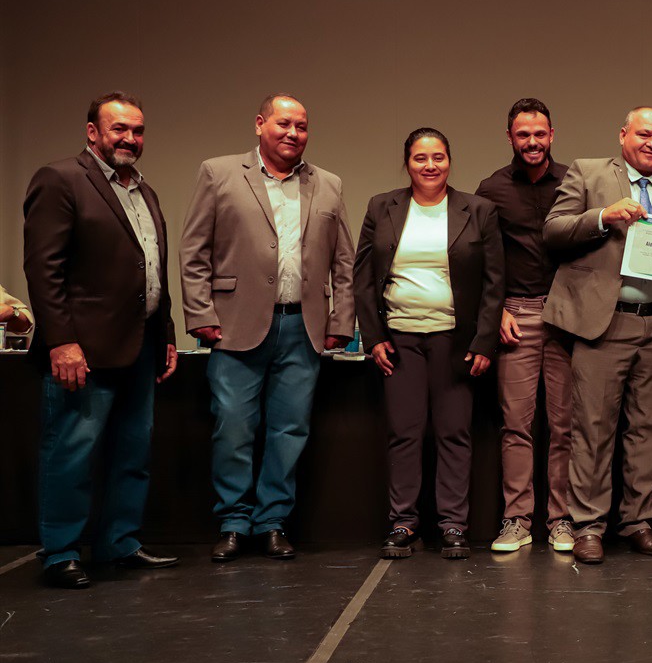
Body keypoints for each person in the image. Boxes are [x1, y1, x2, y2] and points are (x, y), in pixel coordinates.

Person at [180, 93, 354, 562]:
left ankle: (273, 520)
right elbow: (193, 250)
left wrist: (342, 320)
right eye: (283, 123)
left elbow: (344, 261)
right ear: (260, 124)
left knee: (289, 429)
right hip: (234, 325)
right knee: (233, 427)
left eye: (301, 125)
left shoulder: (329, 183)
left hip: (304, 326)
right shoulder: (219, 173)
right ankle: (235, 522)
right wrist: (200, 315)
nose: (292, 133)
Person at [543, 106, 652, 565]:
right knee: (593, 430)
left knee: (649, 432)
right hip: (605, 324)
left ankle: (638, 523)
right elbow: (554, 232)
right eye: (644, 134)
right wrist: (603, 216)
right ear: (623, 135)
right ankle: (588, 528)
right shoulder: (589, 172)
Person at [22, 91, 179, 589]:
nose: (130, 139)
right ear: (93, 132)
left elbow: (151, 271)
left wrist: (166, 333)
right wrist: (61, 342)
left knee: (132, 454)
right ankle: (61, 553)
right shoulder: (60, 179)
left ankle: (120, 543)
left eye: (137, 131)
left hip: (139, 346)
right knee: (71, 454)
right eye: (119, 130)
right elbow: (43, 270)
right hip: (83, 353)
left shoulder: (144, 191)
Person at [355, 128, 504, 560]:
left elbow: (496, 284)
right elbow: (363, 279)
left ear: (450, 161)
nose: (430, 165)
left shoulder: (478, 210)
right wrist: (374, 337)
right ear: (407, 163)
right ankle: (403, 522)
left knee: (454, 433)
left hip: (455, 340)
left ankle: (453, 524)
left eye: (438, 157)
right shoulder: (381, 207)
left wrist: (484, 342)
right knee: (404, 433)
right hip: (399, 338)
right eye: (421, 158)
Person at [474, 98, 574, 553]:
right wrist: (495, 311)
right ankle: (516, 520)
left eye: (540, 134)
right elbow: (480, 260)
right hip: (515, 314)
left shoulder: (576, 182)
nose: (532, 142)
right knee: (517, 425)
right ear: (510, 137)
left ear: (552, 135)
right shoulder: (491, 189)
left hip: (568, 317)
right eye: (522, 134)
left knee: (565, 425)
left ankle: (562, 521)